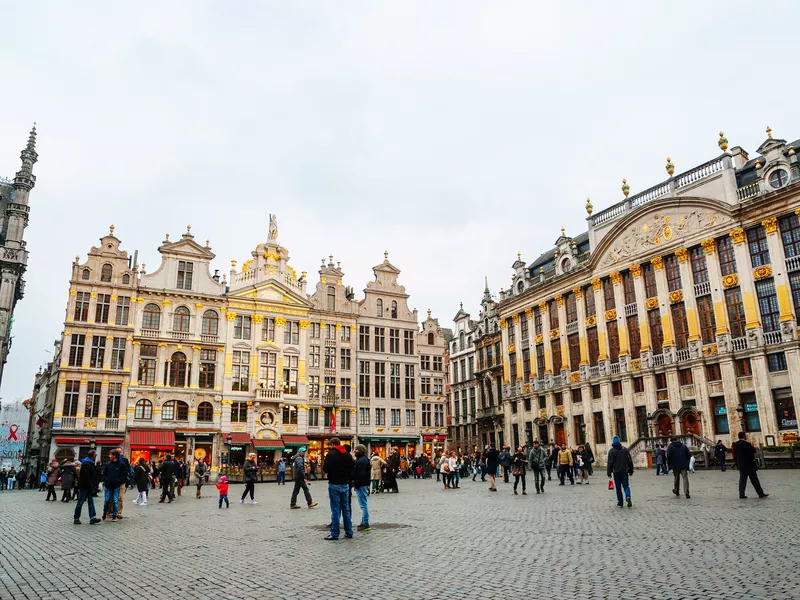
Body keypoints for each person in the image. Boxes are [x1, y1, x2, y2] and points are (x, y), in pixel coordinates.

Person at [322, 437, 355, 540]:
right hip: (345, 484)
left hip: (334, 483)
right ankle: (349, 531)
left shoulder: (331, 454)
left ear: (332, 444)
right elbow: (352, 467)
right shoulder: (347, 455)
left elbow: (325, 469)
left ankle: (335, 533)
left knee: (335, 509)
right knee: (346, 508)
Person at [732, 431, 768, 499]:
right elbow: (753, 451)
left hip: (741, 465)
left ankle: (741, 494)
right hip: (750, 465)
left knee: (742, 480)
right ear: (744, 436)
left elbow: (735, 455)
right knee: (754, 480)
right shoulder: (747, 444)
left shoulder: (735, 444)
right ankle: (760, 493)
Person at [73, 450, 101, 525]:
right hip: (84, 486)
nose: (96, 456)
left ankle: (92, 517)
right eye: (95, 454)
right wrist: (92, 487)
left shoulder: (90, 464)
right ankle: (76, 518)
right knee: (80, 502)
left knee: (91, 502)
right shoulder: (86, 464)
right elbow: (87, 477)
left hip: (89, 486)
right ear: (92, 455)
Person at [607, 435, 634, 508]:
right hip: (624, 471)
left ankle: (620, 502)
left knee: (618, 488)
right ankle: (628, 496)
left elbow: (610, 463)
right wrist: (631, 470)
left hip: (616, 472)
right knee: (626, 486)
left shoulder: (611, 451)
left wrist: (609, 472)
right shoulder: (624, 450)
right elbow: (629, 461)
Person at [102, 450, 127, 522]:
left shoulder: (121, 464)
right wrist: (106, 480)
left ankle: (114, 515)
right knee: (107, 500)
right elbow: (105, 473)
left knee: (116, 500)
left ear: (114, 456)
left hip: (116, 485)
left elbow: (124, 474)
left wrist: (119, 481)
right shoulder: (108, 464)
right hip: (108, 485)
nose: (109, 456)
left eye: (110, 455)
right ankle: (105, 513)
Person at [352, 445, 371, 532]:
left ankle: (365, 523)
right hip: (362, 483)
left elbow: (361, 474)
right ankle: (364, 522)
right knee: (363, 504)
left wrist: (357, 484)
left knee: (363, 504)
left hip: (361, 484)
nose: (354, 451)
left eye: (356, 450)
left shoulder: (361, 461)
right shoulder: (363, 459)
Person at [115, 448, 130, 518]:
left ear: (121, 453)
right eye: (117, 452)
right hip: (114, 481)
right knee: (113, 497)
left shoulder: (125, 460)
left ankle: (119, 512)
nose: (118, 453)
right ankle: (111, 511)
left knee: (120, 497)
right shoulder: (112, 460)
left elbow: (128, 470)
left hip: (122, 481)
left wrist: (124, 478)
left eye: (119, 452)